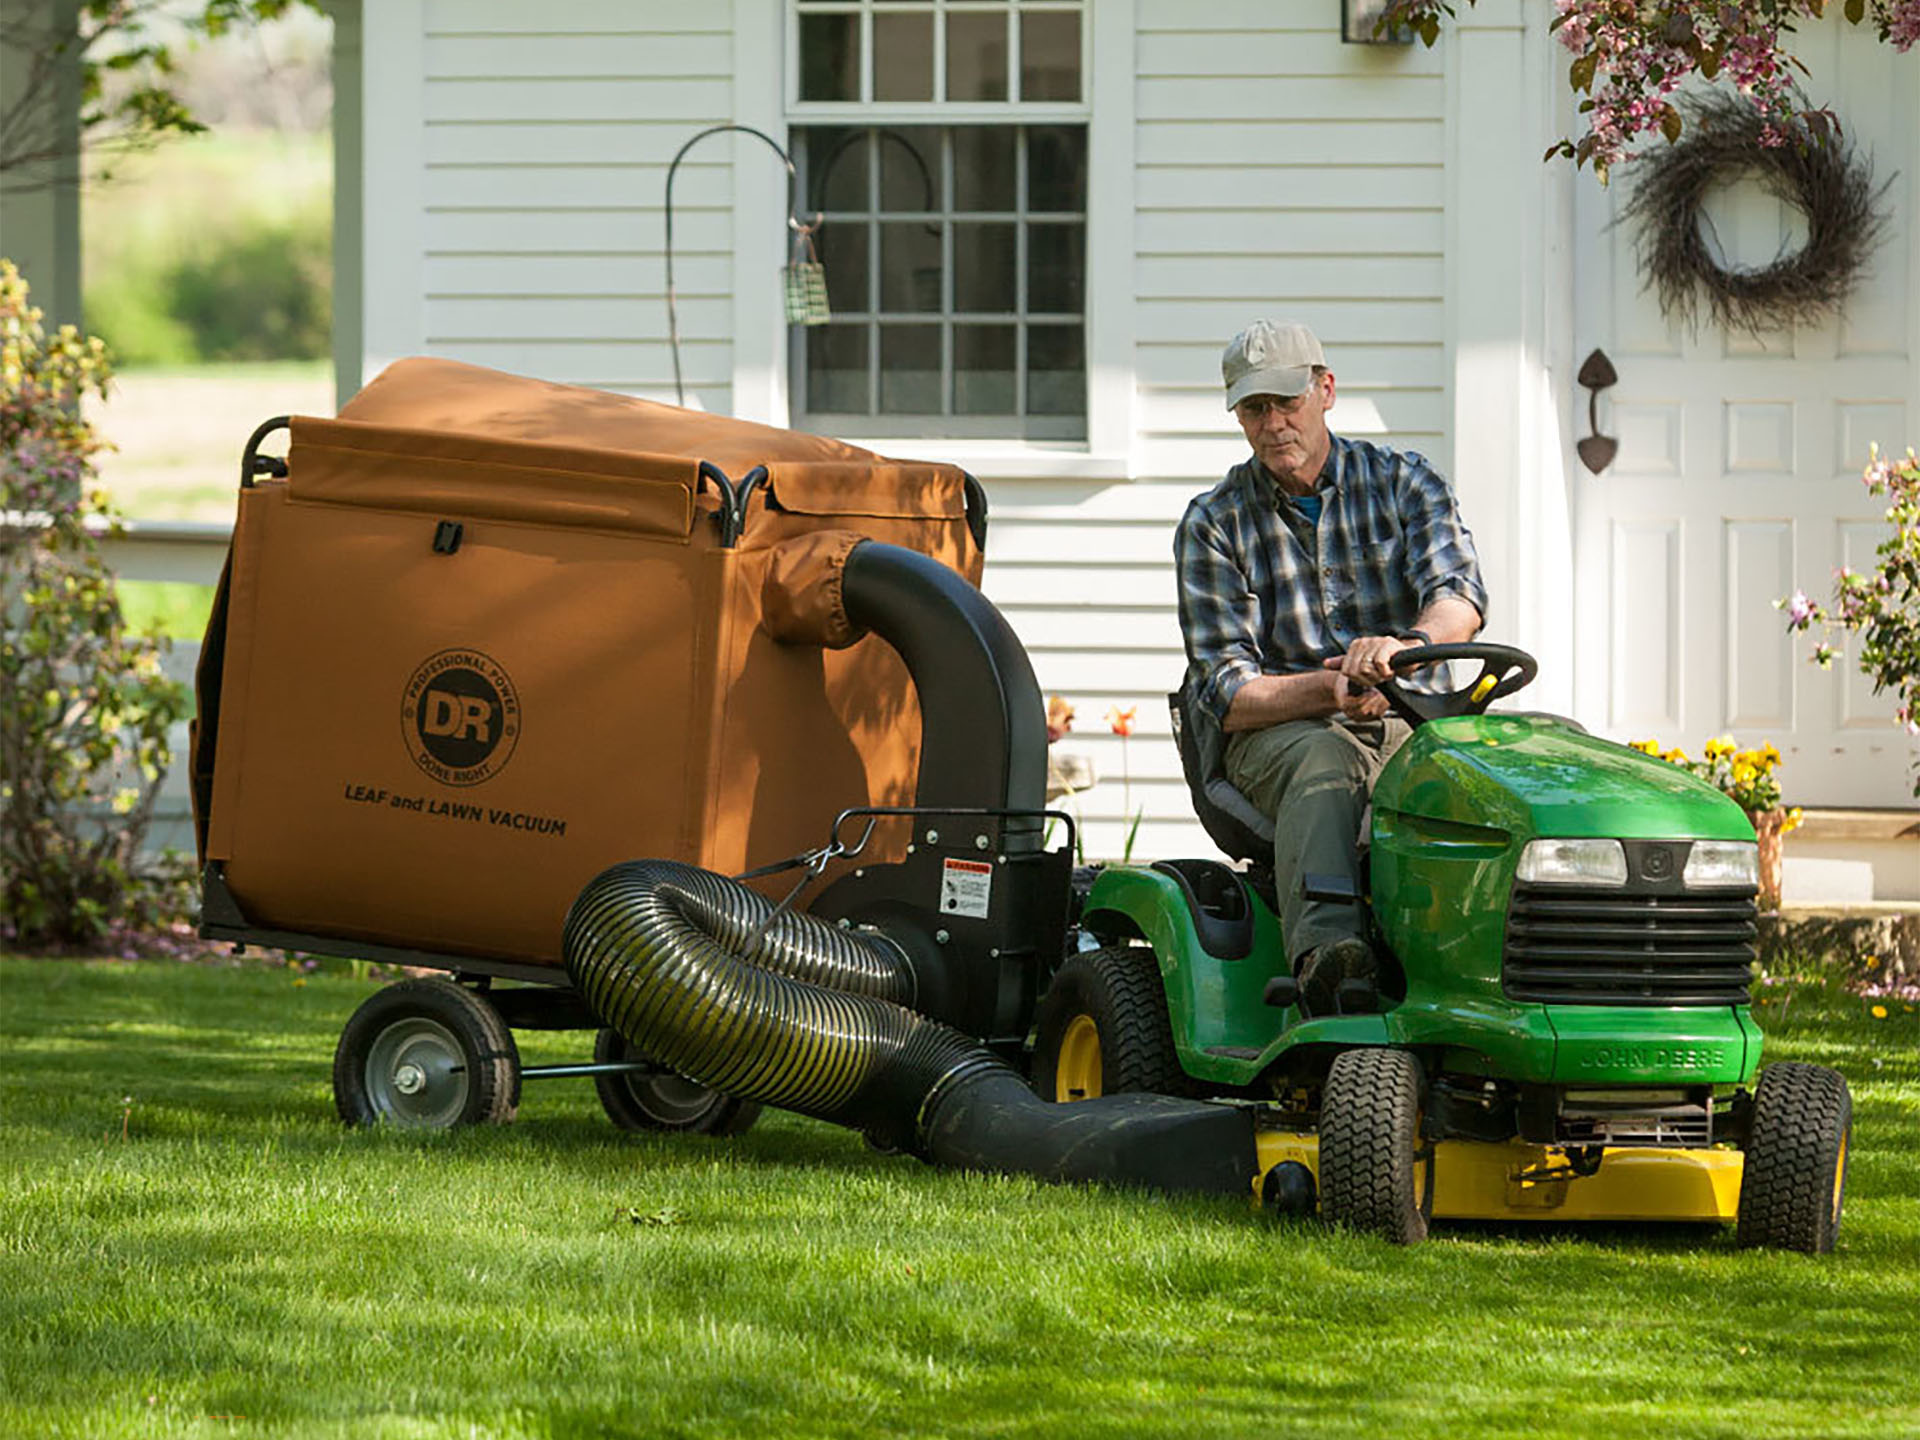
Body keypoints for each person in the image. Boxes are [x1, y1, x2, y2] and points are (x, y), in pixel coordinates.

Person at [1174, 319, 1487, 1014]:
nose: (1274, 423)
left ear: (1326, 390)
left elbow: (1458, 598)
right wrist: (1333, 687)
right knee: (1326, 761)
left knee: (1512, 766)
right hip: (1278, 736)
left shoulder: (1405, 484)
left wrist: (1403, 652)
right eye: (1255, 409)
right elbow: (1227, 691)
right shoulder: (1213, 524)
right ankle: (1330, 961)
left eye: (1287, 401)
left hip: (1413, 715)